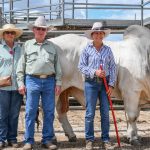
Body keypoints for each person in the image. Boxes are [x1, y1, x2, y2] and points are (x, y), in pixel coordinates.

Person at [16, 16, 62, 150]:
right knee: (30, 111)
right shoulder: (27, 45)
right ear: (34, 30)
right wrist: (20, 82)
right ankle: (28, 141)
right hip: (32, 80)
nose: (41, 31)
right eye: (38, 29)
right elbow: (21, 65)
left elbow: (57, 66)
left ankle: (46, 140)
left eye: (43, 29)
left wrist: (58, 82)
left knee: (49, 111)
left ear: (46, 31)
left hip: (49, 81)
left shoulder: (52, 46)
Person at [78, 22, 116, 150]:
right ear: (92, 35)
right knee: (90, 113)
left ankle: (106, 139)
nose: (98, 35)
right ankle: (89, 140)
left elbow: (113, 67)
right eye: (96, 33)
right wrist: (95, 72)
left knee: (105, 113)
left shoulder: (108, 50)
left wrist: (111, 85)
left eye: (101, 33)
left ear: (103, 35)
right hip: (91, 83)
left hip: (105, 84)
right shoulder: (87, 49)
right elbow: (81, 66)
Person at [0, 24, 23, 148]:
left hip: (17, 87)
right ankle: (1, 138)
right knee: (2, 114)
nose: (10, 34)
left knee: (14, 114)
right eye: (7, 32)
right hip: (2, 87)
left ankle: (12, 138)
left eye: (12, 33)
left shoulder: (20, 49)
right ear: (3, 35)